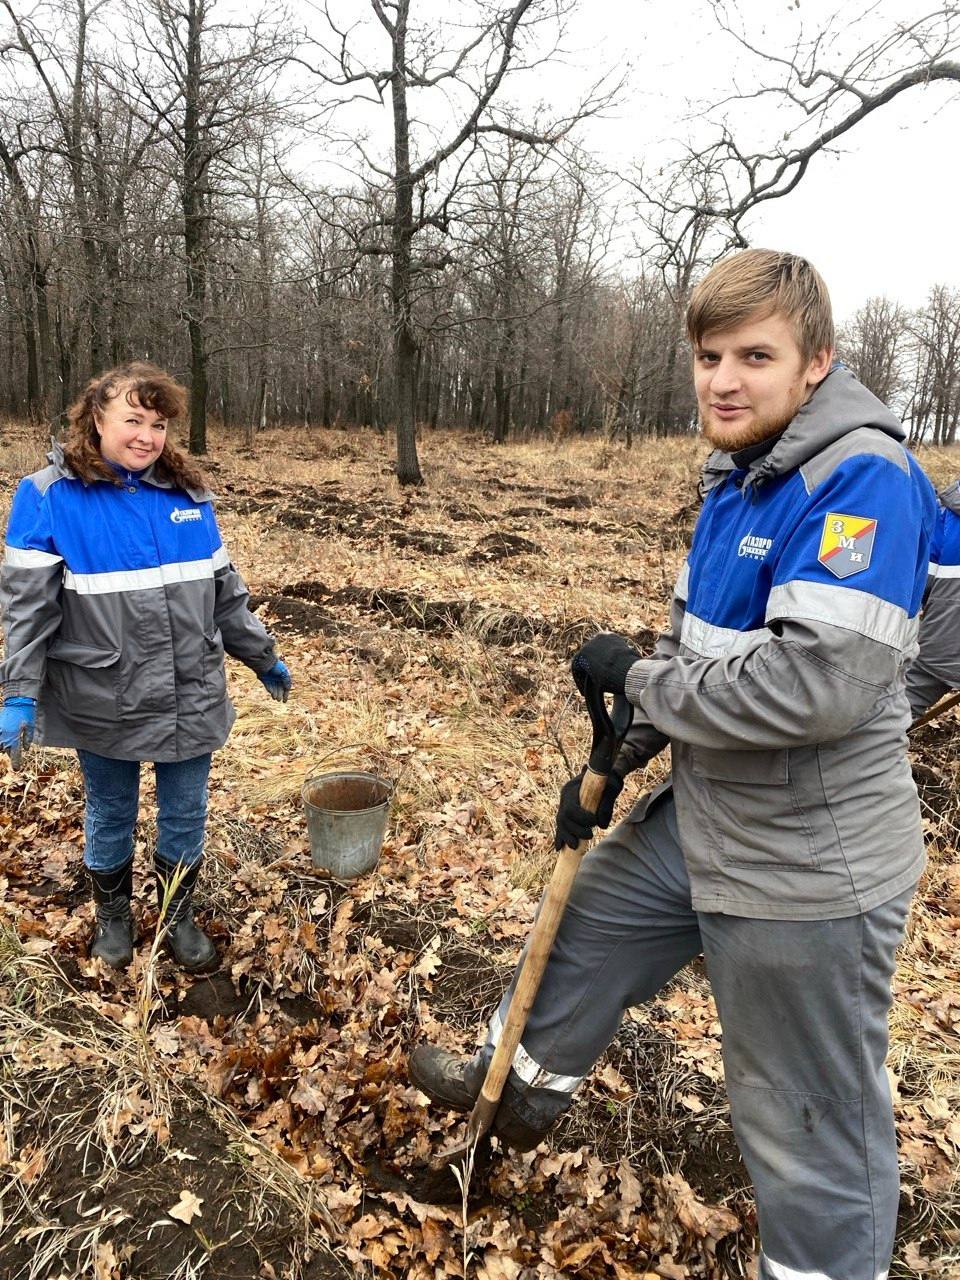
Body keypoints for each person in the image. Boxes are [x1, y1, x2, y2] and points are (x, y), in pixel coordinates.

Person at [410, 250, 937, 1280]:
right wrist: (623, 745)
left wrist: (644, 685)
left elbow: (813, 690)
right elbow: (704, 651)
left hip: (805, 869)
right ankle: (508, 1094)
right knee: (581, 931)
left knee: (805, 1118)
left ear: (817, 362)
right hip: (706, 820)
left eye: (755, 354)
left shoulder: (861, 481)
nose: (724, 378)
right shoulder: (740, 480)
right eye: (709, 355)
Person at [0, 362, 292, 973]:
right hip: (104, 693)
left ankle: (176, 916)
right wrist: (18, 692)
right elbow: (27, 614)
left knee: (185, 812)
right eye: (132, 419)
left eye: (157, 424)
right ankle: (112, 919)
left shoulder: (187, 495)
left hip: (191, 690)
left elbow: (224, 592)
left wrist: (261, 655)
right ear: (95, 419)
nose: (146, 436)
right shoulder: (48, 498)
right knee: (110, 810)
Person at [906, 478, 960, 719]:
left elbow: (918, 582)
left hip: (940, 647)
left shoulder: (948, 514)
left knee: (897, 714)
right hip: (941, 646)